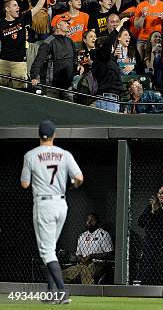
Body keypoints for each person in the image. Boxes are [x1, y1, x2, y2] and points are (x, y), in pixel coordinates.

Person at [20, 120, 84, 304]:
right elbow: (79, 178)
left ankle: (62, 292)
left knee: (47, 252)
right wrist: (71, 186)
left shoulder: (31, 155)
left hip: (44, 205)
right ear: (54, 135)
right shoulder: (64, 154)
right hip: (61, 204)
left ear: (39, 135)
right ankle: (51, 292)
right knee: (51, 251)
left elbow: (24, 184)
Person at [0, 0, 53, 89]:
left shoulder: (22, 19)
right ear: (7, 9)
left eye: (18, 5)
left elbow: (38, 7)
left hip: (19, 63)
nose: (18, 8)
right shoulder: (1, 23)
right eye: (15, 6)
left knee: (19, 91)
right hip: (3, 62)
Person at [30, 14, 78, 101]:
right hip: (52, 87)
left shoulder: (70, 41)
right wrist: (34, 77)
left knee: (69, 111)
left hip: (67, 86)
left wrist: (78, 66)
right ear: (58, 25)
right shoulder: (48, 41)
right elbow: (39, 60)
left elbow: (74, 58)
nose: (69, 24)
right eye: (66, 22)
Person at [62, 213, 114, 284]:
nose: (89, 222)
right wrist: (81, 259)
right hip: (83, 263)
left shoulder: (103, 234)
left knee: (86, 270)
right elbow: (78, 254)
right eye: (88, 220)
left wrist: (91, 256)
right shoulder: (82, 236)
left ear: (97, 222)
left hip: (98, 264)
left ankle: (89, 292)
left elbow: (109, 254)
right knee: (62, 274)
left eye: (92, 220)